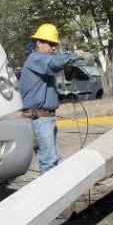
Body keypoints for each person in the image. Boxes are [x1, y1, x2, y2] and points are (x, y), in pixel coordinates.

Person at [19, 23, 83, 174]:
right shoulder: (36, 58)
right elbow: (54, 63)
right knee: (48, 162)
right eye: (51, 43)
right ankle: (48, 195)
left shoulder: (43, 62)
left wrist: (68, 93)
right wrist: (75, 55)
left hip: (46, 119)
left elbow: (53, 86)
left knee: (54, 160)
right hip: (40, 119)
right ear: (39, 43)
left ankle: (55, 193)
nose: (54, 47)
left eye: (55, 44)